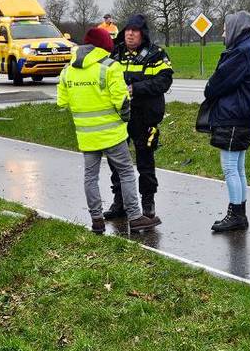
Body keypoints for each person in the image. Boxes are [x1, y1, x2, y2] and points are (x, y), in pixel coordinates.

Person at [57, 28, 160, 235]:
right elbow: (121, 100)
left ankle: (96, 220)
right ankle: (135, 217)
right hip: (112, 134)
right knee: (126, 172)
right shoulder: (111, 67)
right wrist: (125, 117)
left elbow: (62, 102)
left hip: (86, 135)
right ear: (104, 46)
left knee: (90, 176)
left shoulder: (68, 69)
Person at [201, 11, 250, 233]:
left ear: (236, 29)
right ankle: (240, 213)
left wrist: (209, 87)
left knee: (230, 168)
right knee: (238, 167)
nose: (223, 34)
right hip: (245, 113)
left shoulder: (240, 52)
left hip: (234, 114)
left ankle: (236, 214)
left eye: (225, 29)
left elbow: (219, 83)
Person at [106, 14, 173, 220]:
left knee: (145, 160)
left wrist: (136, 88)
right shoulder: (116, 53)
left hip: (144, 116)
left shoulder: (156, 54)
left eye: (134, 31)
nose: (130, 34)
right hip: (119, 116)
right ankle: (120, 201)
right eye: (127, 30)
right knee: (117, 161)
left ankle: (148, 202)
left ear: (142, 34)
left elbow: (164, 82)